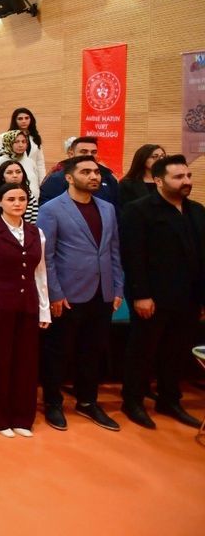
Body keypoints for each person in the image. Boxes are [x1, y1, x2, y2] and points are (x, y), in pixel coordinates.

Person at [37, 155, 125, 432]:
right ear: (69, 177)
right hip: (67, 294)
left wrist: (118, 287)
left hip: (102, 292)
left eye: (96, 172)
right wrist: (54, 293)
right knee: (58, 352)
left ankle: (88, 401)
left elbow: (113, 250)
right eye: (86, 172)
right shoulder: (51, 209)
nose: (94, 176)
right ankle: (53, 402)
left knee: (93, 351)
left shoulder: (107, 208)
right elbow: (46, 256)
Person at [119, 155, 205, 430]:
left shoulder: (197, 210)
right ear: (158, 180)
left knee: (176, 351)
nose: (186, 181)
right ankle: (132, 401)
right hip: (152, 297)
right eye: (178, 177)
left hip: (189, 297)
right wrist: (141, 295)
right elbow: (133, 256)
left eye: (188, 176)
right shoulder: (138, 211)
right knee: (142, 351)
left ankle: (169, 399)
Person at [0, 181, 51, 437]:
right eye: (11, 199)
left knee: (25, 363)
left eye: (22, 199)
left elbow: (40, 274)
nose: (17, 203)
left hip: (27, 305)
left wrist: (44, 309)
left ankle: (21, 417)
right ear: (0, 202)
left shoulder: (36, 233)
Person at [39, 137, 120, 205]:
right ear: (71, 154)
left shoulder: (108, 177)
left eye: (93, 152)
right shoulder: (57, 178)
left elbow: (116, 207)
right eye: (84, 152)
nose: (89, 155)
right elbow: (46, 207)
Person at [0, 130, 43, 200]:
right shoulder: (1, 162)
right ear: (9, 142)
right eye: (16, 142)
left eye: (23, 142)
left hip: (33, 202)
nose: (21, 145)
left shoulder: (30, 162)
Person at [0, 108, 46, 179]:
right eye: (20, 119)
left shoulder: (35, 138)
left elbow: (40, 163)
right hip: (12, 178)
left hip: (32, 177)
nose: (24, 121)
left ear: (31, 120)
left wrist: (42, 181)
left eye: (27, 118)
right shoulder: (4, 137)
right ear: (15, 120)